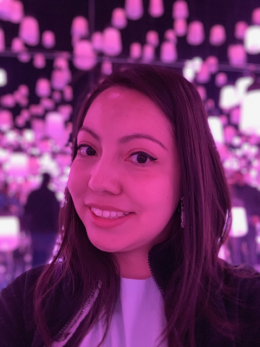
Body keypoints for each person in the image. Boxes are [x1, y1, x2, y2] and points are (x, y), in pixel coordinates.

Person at [1, 65, 260, 347]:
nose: (99, 182)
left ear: (189, 178)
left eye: (140, 157)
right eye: (88, 149)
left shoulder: (246, 308)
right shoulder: (24, 304)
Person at [23, 172, 60, 268]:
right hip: (49, 229)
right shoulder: (51, 195)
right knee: (45, 257)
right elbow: (56, 212)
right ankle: (42, 280)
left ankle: (33, 280)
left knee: (35, 255)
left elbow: (26, 211)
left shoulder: (33, 194)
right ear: (49, 181)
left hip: (35, 228)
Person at [228, 171, 260, 267]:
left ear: (242, 177)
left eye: (238, 177)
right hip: (235, 224)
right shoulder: (230, 191)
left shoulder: (253, 191)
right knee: (236, 250)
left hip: (250, 222)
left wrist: (257, 215)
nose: (237, 179)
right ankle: (236, 272)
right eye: (235, 177)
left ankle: (253, 274)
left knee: (251, 249)